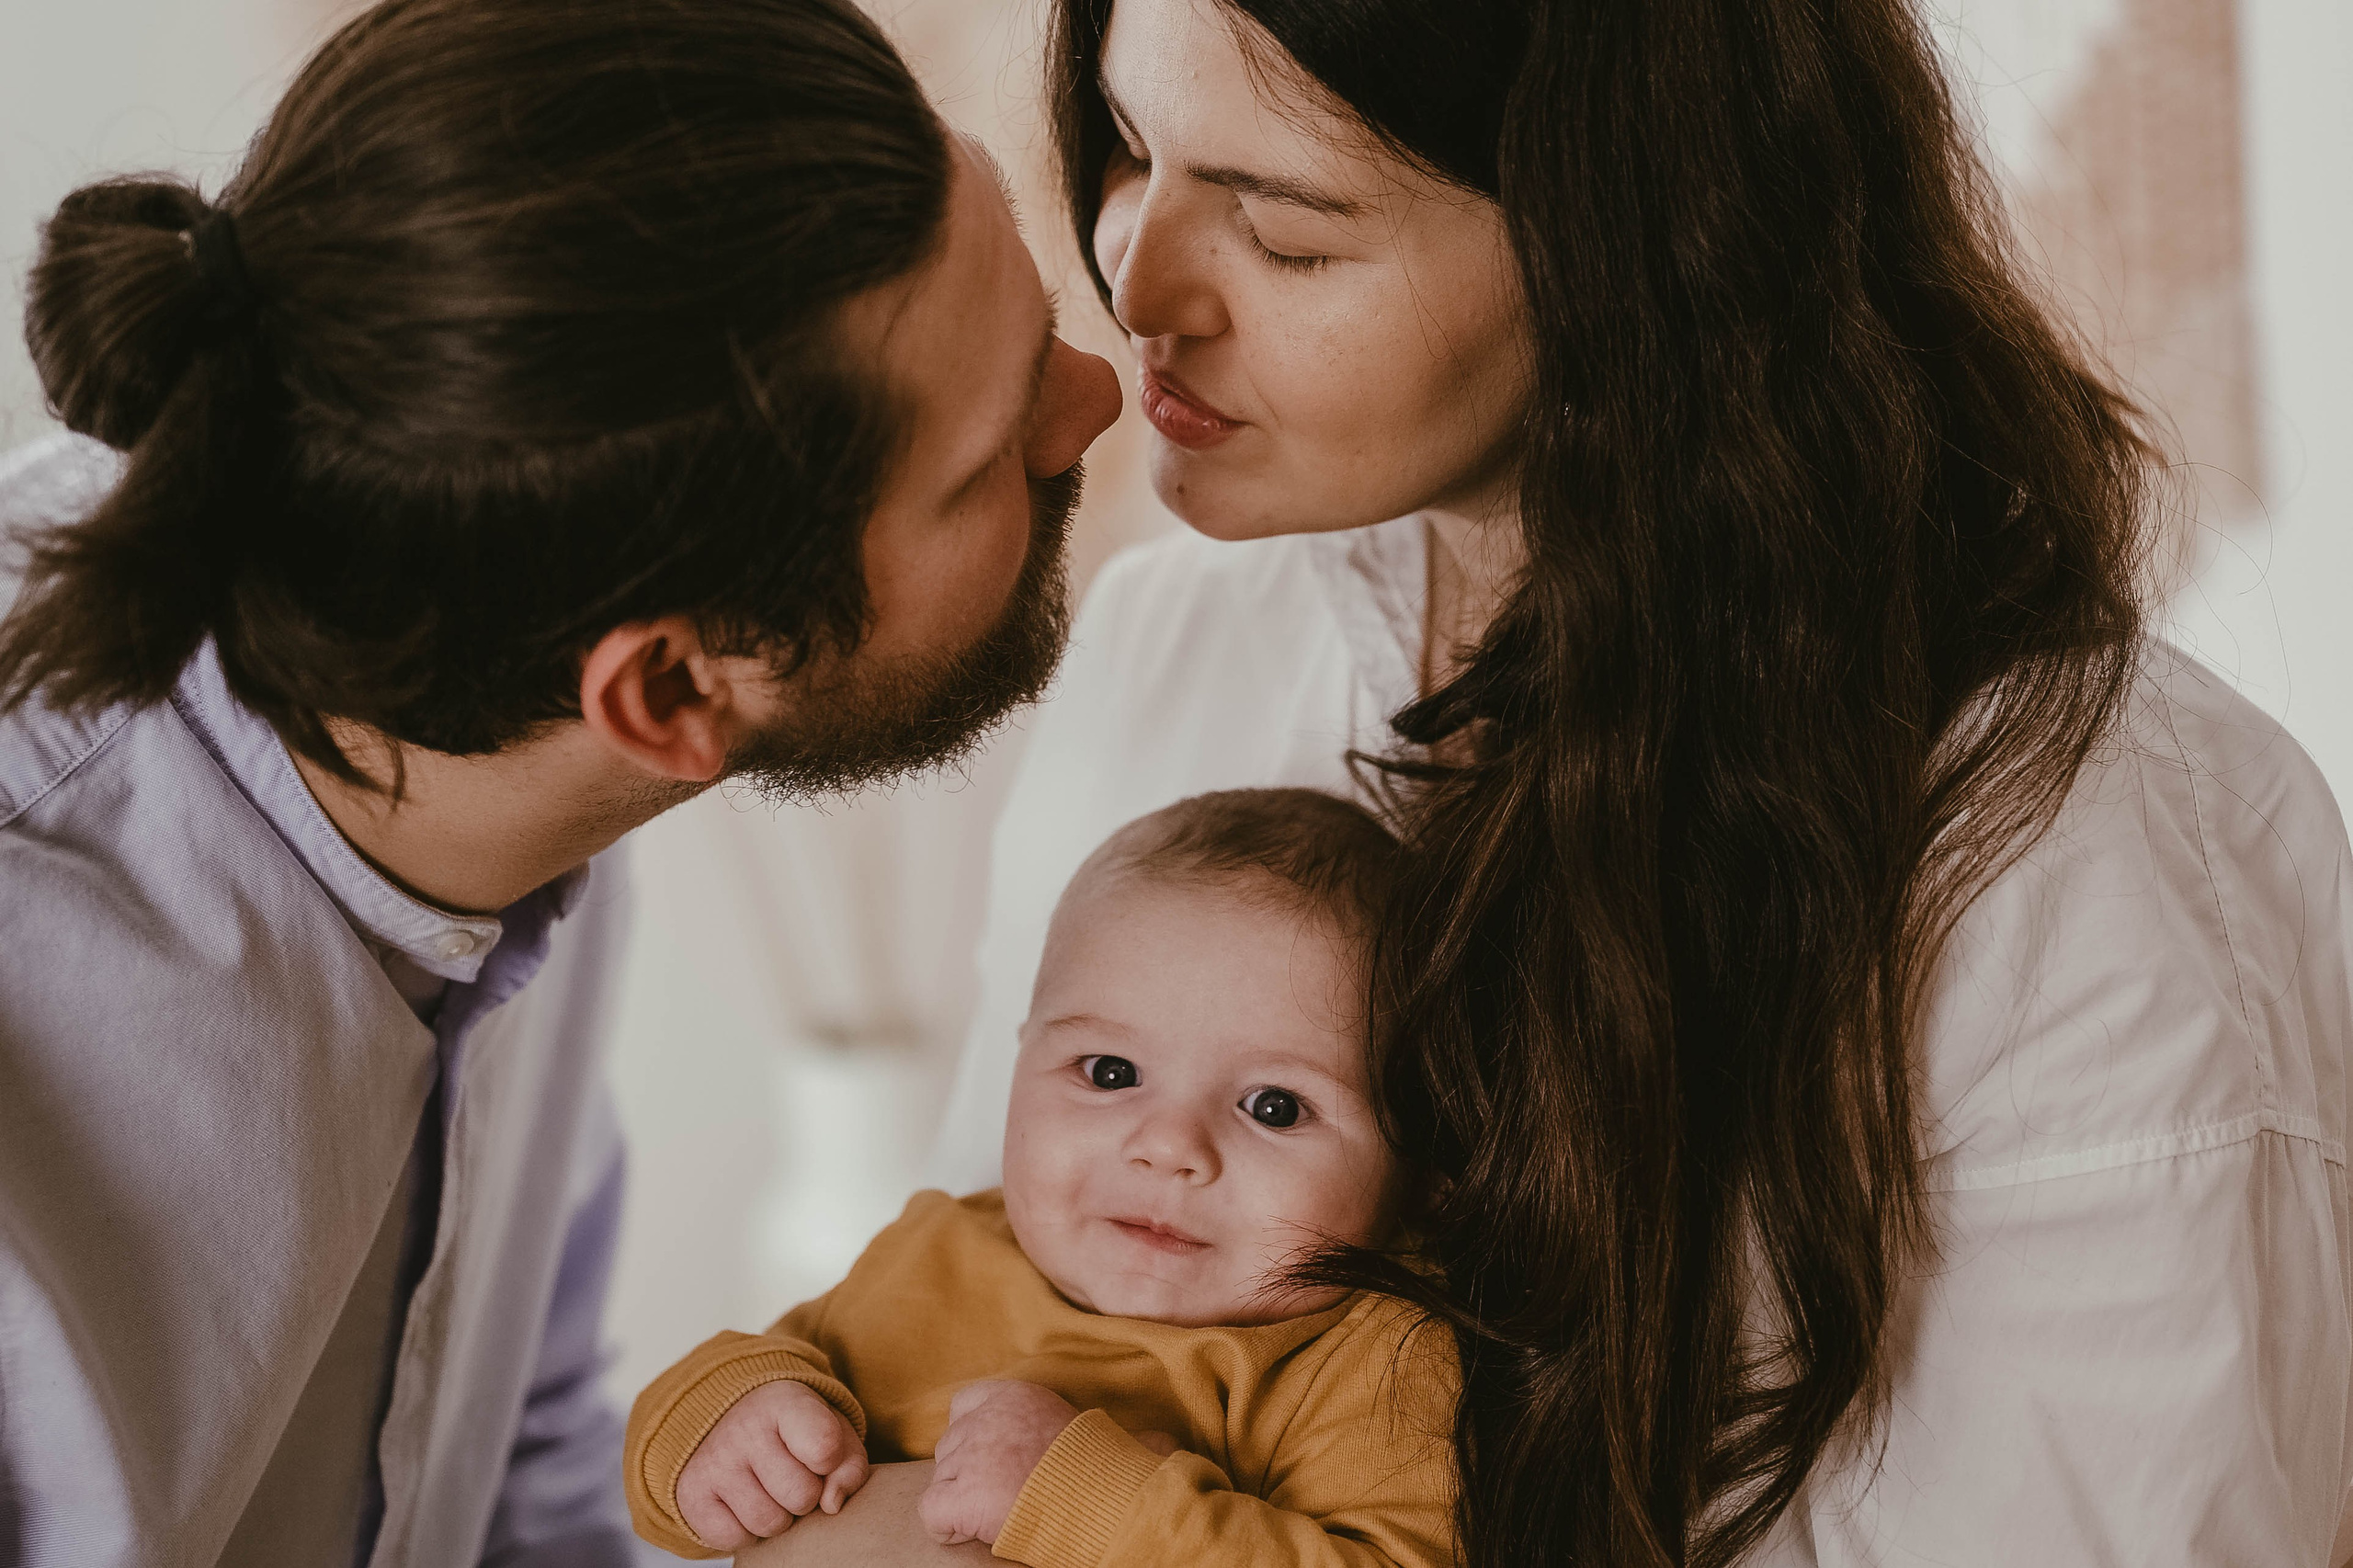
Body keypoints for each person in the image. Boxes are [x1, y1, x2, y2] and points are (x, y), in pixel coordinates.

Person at [913, 0, 2353, 1565]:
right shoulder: (1172, 647)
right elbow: (960, 1347)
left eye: (1287, 236)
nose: (1139, 276)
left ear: (1636, 262)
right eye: (1129, 146)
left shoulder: (2074, 855)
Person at [0, 0, 1119, 1562]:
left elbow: (503, 1452)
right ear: (668, 688)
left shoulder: (484, 688)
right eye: (992, 448)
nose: (1097, 403)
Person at [624, 790, 1454, 1568]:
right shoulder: (939, 1249)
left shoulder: (1372, 1358)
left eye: (1274, 1106)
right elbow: (739, 1383)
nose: (1168, 1148)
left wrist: (1086, 1498)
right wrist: (722, 1422)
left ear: (1419, 1165)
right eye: (1109, 1071)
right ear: (1019, 1060)